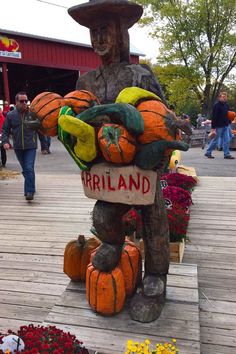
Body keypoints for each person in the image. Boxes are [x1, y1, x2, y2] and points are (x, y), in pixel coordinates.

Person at [2, 91, 38, 200]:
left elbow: (40, 128)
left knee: (29, 168)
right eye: (21, 101)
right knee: (26, 169)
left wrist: (46, 146)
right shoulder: (11, 115)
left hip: (30, 146)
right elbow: (5, 130)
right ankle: (31, 185)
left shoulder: (32, 114)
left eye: (26, 101)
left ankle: (29, 192)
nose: (24, 103)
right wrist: (5, 141)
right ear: (16, 102)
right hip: (18, 147)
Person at [205, 92, 235, 159]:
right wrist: (213, 128)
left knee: (227, 140)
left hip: (226, 125)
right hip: (218, 126)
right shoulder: (216, 105)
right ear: (220, 97)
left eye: (225, 97)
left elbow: (227, 115)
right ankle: (208, 152)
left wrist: (229, 122)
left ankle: (226, 154)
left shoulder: (226, 105)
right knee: (215, 140)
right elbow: (214, 117)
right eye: (223, 97)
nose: (224, 98)